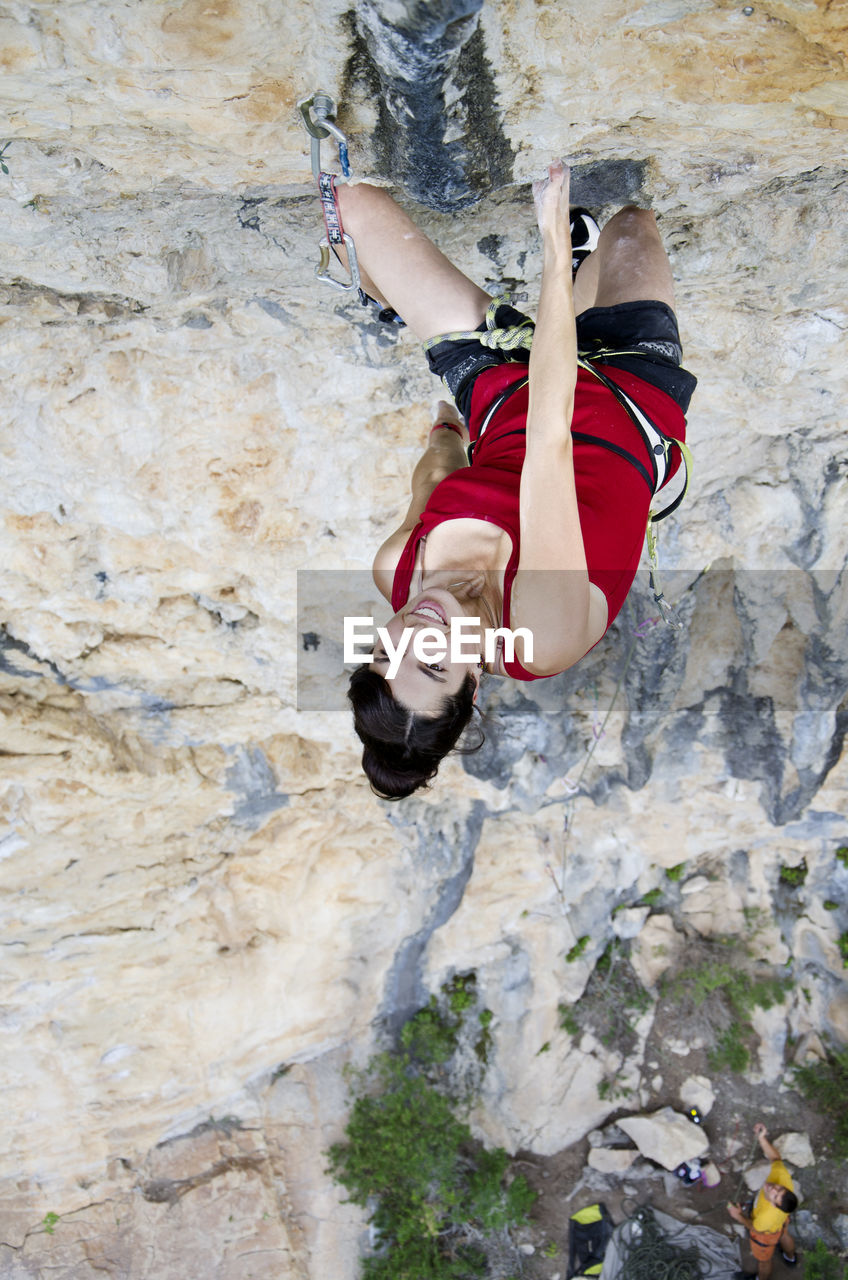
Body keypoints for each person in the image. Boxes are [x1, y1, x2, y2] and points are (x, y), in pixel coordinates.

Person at [329, 162, 697, 798]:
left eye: (387, 655)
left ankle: (440, 300)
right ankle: (579, 275)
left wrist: (447, 426)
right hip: (628, 394)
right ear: (474, 681)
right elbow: (549, 440)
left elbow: (441, 473)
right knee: (630, 231)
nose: (415, 634)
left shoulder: (398, 570)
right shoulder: (543, 635)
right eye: (433, 663)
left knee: (352, 207)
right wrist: (553, 251)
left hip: (503, 393)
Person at [728, 1122, 799, 1278]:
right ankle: (791, 1257)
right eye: (779, 1190)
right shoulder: (782, 1177)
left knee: (764, 1260)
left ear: (774, 1205)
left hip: (767, 1232)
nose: (773, 1188)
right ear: (785, 1188)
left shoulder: (765, 1217)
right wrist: (761, 1139)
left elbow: (755, 1229)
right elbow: (775, 1157)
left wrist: (738, 1216)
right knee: (784, 1234)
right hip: (781, 1220)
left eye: (774, 1195)